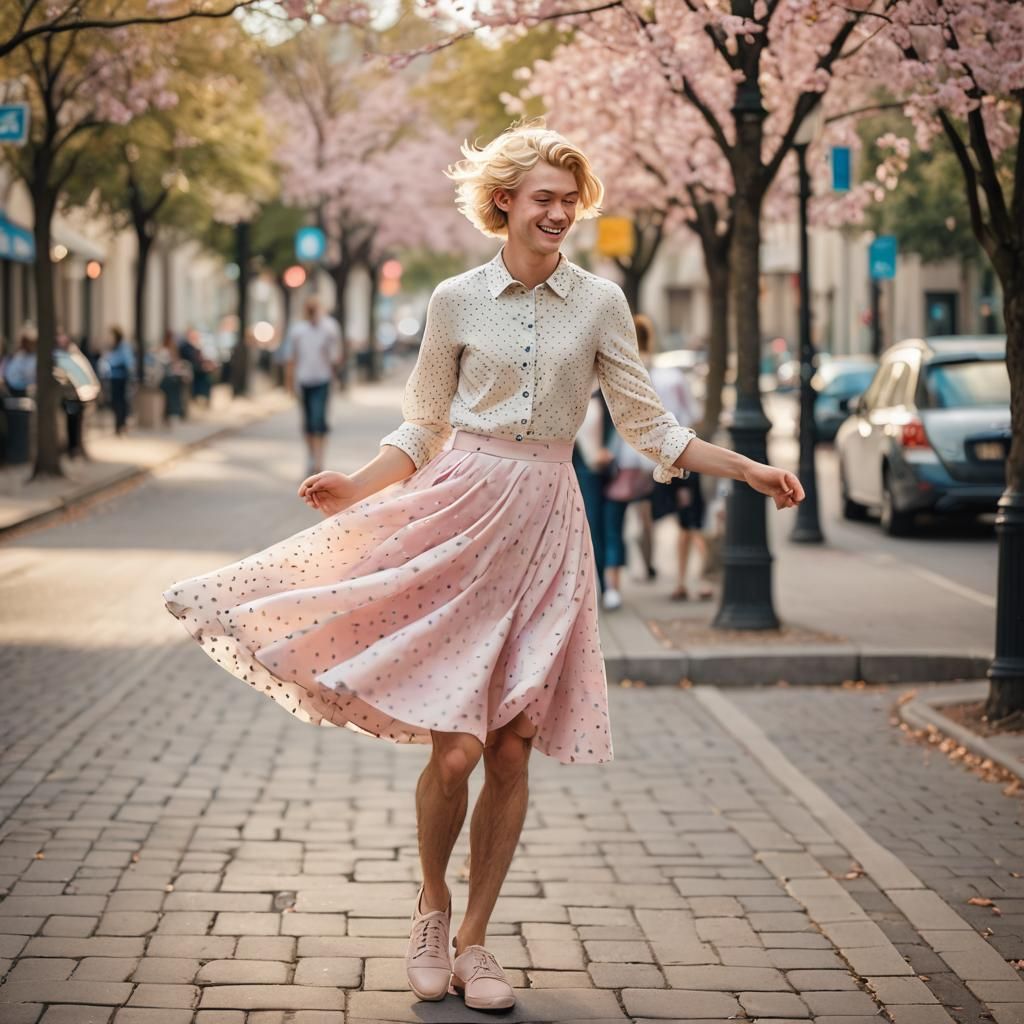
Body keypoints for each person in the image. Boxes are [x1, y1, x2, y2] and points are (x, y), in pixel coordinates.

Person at [162, 121, 803, 1013]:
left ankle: (475, 942)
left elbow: (649, 428)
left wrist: (747, 469)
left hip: (548, 524)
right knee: (457, 750)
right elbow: (422, 424)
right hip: (461, 514)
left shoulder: (601, 303)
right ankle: (432, 908)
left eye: (569, 199)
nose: (560, 211)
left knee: (511, 746)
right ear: (503, 202)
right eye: (543, 197)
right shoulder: (456, 300)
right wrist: (357, 484)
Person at [633, 314, 714, 601]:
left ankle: (658, 569)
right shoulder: (671, 377)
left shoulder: (629, 374)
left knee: (647, 519)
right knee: (688, 522)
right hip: (677, 457)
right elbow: (691, 416)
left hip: (639, 462)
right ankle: (693, 578)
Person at [280, 297, 343, 476]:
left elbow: (336, 357)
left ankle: (319, 460)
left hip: (322, 380)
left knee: (319, 421)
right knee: (308, 423)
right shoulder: (298, 330)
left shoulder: (329, 328)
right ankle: (311, 456)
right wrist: (289, 384)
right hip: (304, 381)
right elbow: (290, 359)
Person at [98, 326, 136, 435]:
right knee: (115, 402)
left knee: (121, 402)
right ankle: (118, 425)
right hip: (113, 378)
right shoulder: (112, 347)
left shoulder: (123, 347)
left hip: (121, 378)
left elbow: (127, 361)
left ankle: (121, 425)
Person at [3, 327, 37, 397]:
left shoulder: (37, 358)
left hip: (32, 392)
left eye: (27, 341)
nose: (24, 344)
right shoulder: (13, 357)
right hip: (12, 391)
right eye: (23, 341)